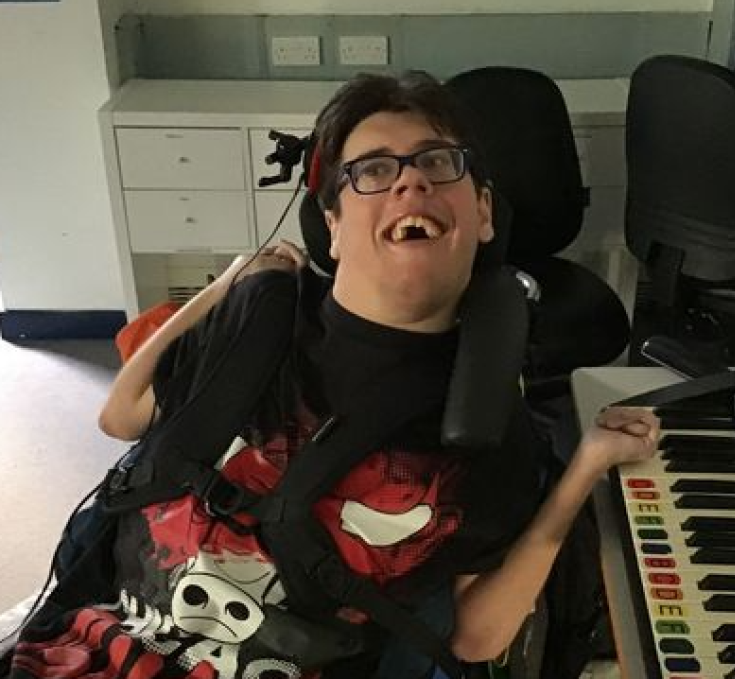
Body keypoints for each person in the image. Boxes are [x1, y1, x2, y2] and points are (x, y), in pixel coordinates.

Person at [6, 71, 659, 679]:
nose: (411, 183)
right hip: (82, 648)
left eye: (437, 161)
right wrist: (232, 281)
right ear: (334, 226)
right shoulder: (256, 324)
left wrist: (584, 469)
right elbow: (121, 414)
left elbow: (478, 637)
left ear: (482, 213)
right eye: (373, 169)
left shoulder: (486, 423)